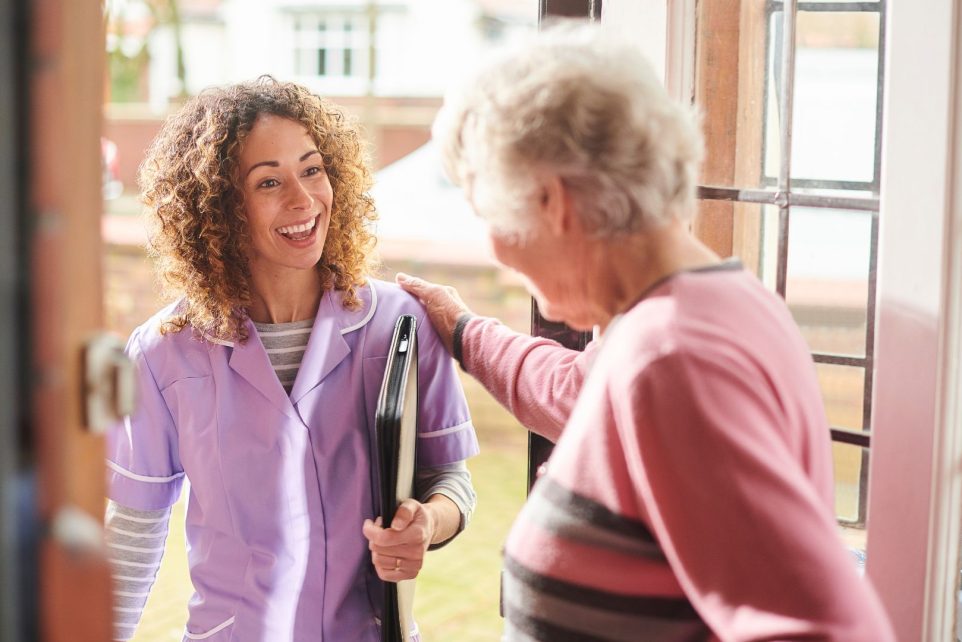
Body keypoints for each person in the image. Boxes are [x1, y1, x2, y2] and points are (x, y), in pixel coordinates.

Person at [398, 23, 895, 642]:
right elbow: (578, 393)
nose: (496, 250)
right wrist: (464, 329)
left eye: (488, 215)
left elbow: (821, 628)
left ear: (553, 202)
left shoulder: (673, 359)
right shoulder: (712, 307)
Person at [103, 77, 479, 642]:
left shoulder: (400, 324)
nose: (303, 201)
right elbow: (134, 528)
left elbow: (449, 477)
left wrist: (427, 524)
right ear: (220, 208)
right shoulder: (163, 352)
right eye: (269, 182)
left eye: (312, 169)